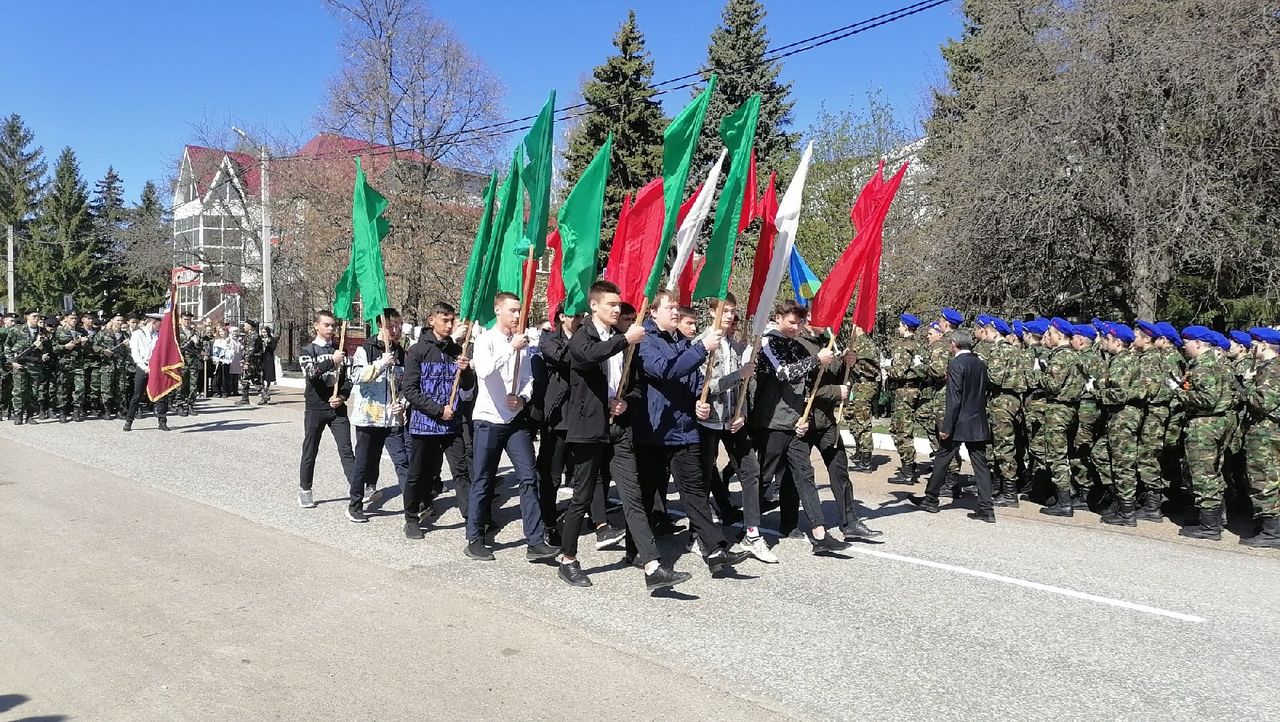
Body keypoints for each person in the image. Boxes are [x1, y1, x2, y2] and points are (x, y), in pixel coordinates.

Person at [555, 281, 695, 590]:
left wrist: (624, 400)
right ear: (594, 306)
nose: (618, 310)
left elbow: (633, 384)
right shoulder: (583, 336)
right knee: (582, 496)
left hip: (618, 429)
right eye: (611, 305)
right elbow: (588, 357)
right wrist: (626, 340)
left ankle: (652, 565)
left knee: (633, 497)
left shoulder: (622, 340)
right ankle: (567, 558)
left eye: (619, 305)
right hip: (589, 429)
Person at [633, 290, 750, 572]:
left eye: (676, 308)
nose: (675, 312)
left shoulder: (681, 341)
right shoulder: (646, 341)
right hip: (655, 430)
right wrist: (701, 349)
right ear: (653, 312)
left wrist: (702, 401)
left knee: (695, 491)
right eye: (669, 308)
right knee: (648, 493)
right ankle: (635, 548)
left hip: (684, 429)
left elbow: (695, 380)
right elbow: (664, 371)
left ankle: (714, 551)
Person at [749, 300, 852, 554]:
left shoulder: (795, 345)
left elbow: (807, 384)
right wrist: (816, 359)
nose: (796, 327)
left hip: (794, 421)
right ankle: (749, 526)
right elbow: (783, 372)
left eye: (799, 322)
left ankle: (819, 533)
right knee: (763, 476)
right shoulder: (767, 342)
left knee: (805, 476)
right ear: (778, 318)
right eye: (792, 322)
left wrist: (843, 361)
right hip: (771, 421)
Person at [464, 292, 557, 562]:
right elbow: (483, 371)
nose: (517, 315)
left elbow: (528, 378)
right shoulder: (485, 341)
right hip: (488, 420)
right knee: (483, 478)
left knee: (529, 477)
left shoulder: (522, 344)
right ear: (498, 311)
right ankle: (475, 537)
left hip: (514, 420)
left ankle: (535, 540)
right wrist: (510, 348)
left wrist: (523, 397)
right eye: (512, 311)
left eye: (519, 311)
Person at [695, 293, 775, 562]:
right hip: (708, 421)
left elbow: (745, 388)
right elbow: (706, 386)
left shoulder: (734, 344)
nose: (729, 316)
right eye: (725, 311)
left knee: (750, 470)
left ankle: (752, 533)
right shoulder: (704, 343)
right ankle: (699, 534)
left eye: (732, 311)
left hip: (733, 420)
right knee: (703, 478)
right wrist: (737, 376)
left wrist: (742, 412)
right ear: (712, 312)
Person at [401, 303, 475, 540]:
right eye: (445, 320)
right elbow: (410, 391)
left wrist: (466, 371)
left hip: (451, 423)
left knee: (461, 471)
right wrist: (437, 410)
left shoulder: (456, 350)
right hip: (425, 424)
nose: (450, 325)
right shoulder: (417, 351)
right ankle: (412, 518)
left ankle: (471, 520)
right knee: (419, 473)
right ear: (431, 320)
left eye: (452, 320)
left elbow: (466, 387)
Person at [911, 330, 998, 522]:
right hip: (977, 421)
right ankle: (986, 508)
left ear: (953, 344)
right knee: (980, 465)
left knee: (942, 459)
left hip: (959, 422)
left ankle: (931, 498)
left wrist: (946, 426)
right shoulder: (980, 363)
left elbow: (955, 398)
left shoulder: (956, 364)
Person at [1173, 326, 1238, 541]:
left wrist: (1179, 393)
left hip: (1206, 424)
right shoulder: (1219, 363)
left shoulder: (1204, 365)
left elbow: (1207, 399)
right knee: (1214, 471)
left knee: (1203, 474)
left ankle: (1209, 526)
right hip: (1220, 422)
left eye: (1187, 341)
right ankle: (1215, 518)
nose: (1184, 345)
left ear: (1199, 344)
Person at [349, 309, 412, 522]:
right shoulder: (364, 350)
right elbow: (356, 376)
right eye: (390, 326)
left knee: (402, 461)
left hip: (391, 419)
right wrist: (380, 364)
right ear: (380, 326)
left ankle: (411, 508)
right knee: (364, 463)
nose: (395, 331)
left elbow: (405, 386)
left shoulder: (402, 353)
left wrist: (402, 403)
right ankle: (355, 504)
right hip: (368, 417)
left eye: (398, 326)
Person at [297, 310, 358, 516]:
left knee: (346, 450)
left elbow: (350, 379)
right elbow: (310, 374)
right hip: (315, 408)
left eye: (333, 325)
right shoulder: (307, 350)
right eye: (327, 325)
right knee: (310, 449)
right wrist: (331, 361)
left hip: (337, 408)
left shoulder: (340, 350)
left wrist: (342, 396)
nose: (331, 329)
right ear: (316, 326)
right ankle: (305, 489)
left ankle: (356, 490)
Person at [1030, 318, 1084, 516]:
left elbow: (1053, 386)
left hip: (1058, 410)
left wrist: (1039, 374)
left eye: (1050, 334)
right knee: (1061, 454)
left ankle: (1065, 502)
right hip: (1070, 409)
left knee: (1056, 456)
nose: (1047, 337)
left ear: (1059, 336)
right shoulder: (1075, 356)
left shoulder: (1060, 357)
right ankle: (1063, 495)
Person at [1239, 326, 1280, 548]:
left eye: (1254, 344)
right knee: (1269, 478)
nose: (1251, 348)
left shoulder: (1272, 369)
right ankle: (1270, 526)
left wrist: (1246, 384)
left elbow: (1263, 403)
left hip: (1266, 432)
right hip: (1268, 431)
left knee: (1264, 479)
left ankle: (1272, 532)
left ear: (1264, 345)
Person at [886, 313, 926, 483]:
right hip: (915, 390)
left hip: (904, 391)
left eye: (900, 325)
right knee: (903, 428)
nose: (898, 328)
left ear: (905, 327)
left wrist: (888, 368)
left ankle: (908, 469)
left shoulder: (904, 346)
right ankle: (908, 465)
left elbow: (898, 371)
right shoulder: (919, 345)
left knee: (901, 430)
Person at [122, 314, 169, 432]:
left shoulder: (159, 335)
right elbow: (135, 353)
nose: (161, 326)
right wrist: (144, 367)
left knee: (161, 394)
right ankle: (129, 421)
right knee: (137, 395)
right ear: (153, 322)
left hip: (157, 367)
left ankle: (162, 421)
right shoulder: (138, 334)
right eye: (160, 323)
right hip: (142, 366)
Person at [237, 320, 266, 406]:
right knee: (255, 379)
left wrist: (246, 362)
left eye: (245, 325)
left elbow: (250, 350)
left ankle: (245, 398)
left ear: (250, 326)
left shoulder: (253, 336)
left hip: (252, 362)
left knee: (245, 379)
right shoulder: (252, 336)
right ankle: (264, 395)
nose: (244, 327)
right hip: (254, 361)